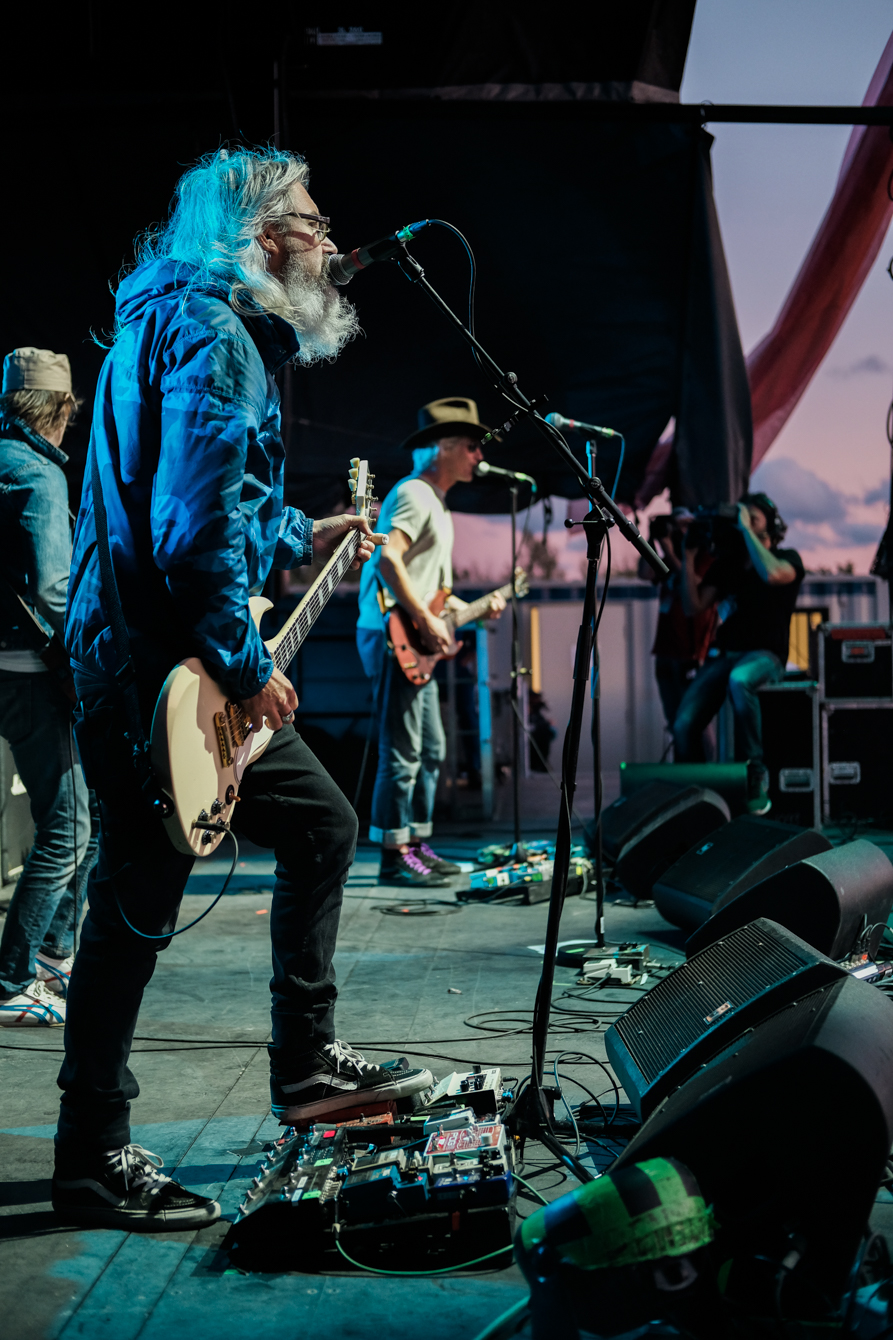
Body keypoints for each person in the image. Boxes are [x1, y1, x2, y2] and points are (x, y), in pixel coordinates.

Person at [53, 146, 435, 1233]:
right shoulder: (216, 335)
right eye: (309, 219)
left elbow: (210, 502)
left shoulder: (168, 320)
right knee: (137, 903)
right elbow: (185, 534)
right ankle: (90, 1151)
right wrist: (249, 664)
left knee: (321, 822)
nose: (325, 238)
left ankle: (307, 1061)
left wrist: (300, 531)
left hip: (149, 655)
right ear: (256, 231)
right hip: (156, 670)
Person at [356, 398, 506, 887]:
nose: (478, 455)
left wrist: (469, 609)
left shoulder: (435, 503)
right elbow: (387, 559)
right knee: (402, 752)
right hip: (390, 636)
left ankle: (415, 844)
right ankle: (393, 855)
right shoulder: (415, 495)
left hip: (410, 634)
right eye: (470, 445)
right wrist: (425, 616)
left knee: (432, 750)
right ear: (442, 446)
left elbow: (426, 585)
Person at [0, 349, 97, 1027]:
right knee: (68, 831)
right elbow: (55, 592)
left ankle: (54, 957)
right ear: (60, 412)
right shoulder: (37, 473)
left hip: (5, 672)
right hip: (36, 677)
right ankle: (11, 981)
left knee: (78, 826)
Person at [673, 492, 804, 813]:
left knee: (740, 680)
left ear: (770, 526)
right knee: (683, 723)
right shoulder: (729, 565)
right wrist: (688, 559)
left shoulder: (788, 558)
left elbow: (772, 574)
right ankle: (696, 794)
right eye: (742, 517)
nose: (744, 521)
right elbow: (693, 606)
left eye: (753, 518)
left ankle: (756, 772)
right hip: (728, 653)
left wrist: (746, 531)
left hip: (766, 656)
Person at [643, 507, 717, 744]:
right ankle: (684, 769)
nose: (679, 530)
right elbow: (644, 573)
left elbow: (695, 582)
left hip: (691, 651)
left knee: (694, 719)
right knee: (674, 721)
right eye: (676, 525)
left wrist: (672, 551)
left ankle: (706, 771)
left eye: (685, 525)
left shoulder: (706, 557)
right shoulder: (667, 556)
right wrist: (652, 539)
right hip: (665, 649)